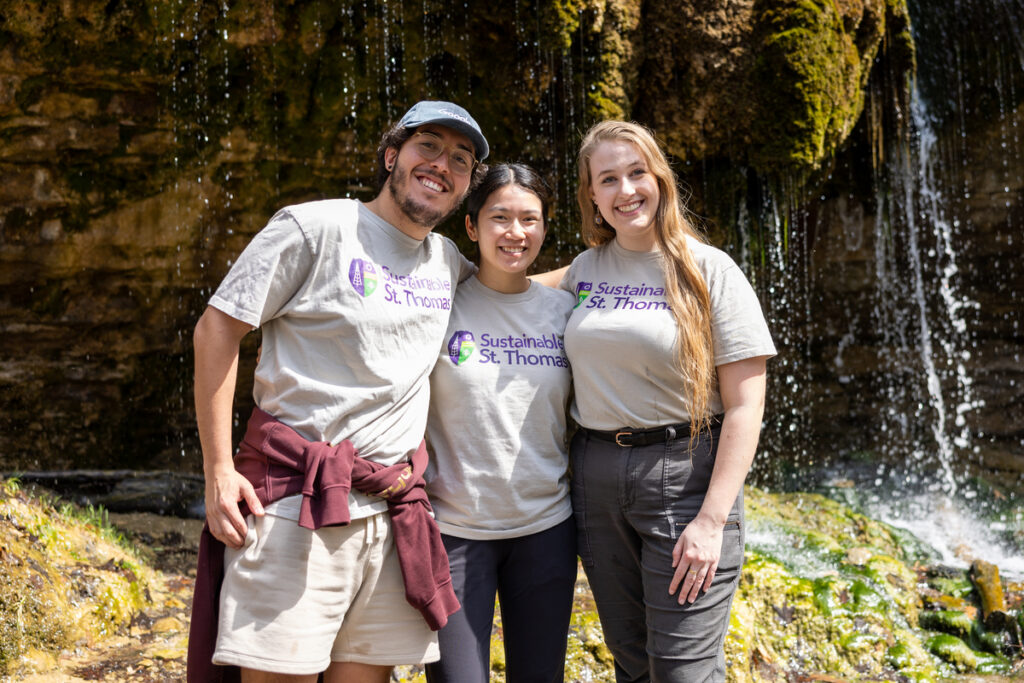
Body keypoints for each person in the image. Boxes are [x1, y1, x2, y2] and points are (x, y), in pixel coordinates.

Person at [187, 100, 489, 683]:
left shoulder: (445, 261)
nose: (442, 165)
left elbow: (511, 289)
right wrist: (219, 469)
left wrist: (597, 271)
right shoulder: (314, 227)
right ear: (391, 154)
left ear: (463, 190)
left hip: (390, 514)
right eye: (428, 145)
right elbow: (217, 329)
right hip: (293, 508)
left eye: (460, 158)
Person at [554, 120, 776, 682]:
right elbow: (505, 286)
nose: (625, 190)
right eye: (608, 179)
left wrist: (711, 520)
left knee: (682, 668)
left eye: (637, 172)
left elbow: (746, 406)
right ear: (591, 195)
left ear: (660, 179)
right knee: (630, 660)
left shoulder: (709, 271)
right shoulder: (584, 270)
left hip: (683, 478)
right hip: (595, 477)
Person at [423, 164, 577, 683]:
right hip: (454, 534)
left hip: (546, 530)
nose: (516, 232)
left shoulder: (564, 312)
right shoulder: (438, 307)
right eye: (500, 218)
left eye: (530, 219)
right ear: (471, 228)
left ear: (545, 227)